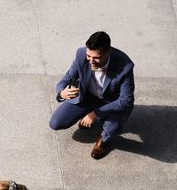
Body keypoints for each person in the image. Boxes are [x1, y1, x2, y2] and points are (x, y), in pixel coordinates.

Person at [49, 31, 135, 159]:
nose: (91, 61)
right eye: (89, 56)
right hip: (88, 97)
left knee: (114, 128)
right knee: (55, 123)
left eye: (96, 57)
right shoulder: (81, 55)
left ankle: (104, 140)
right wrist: (61, 92)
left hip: (112, 102)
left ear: (108, 52)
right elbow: (68, 77)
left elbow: (125, 100)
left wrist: (95, 114)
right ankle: (87, 115)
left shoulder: (125, 65)